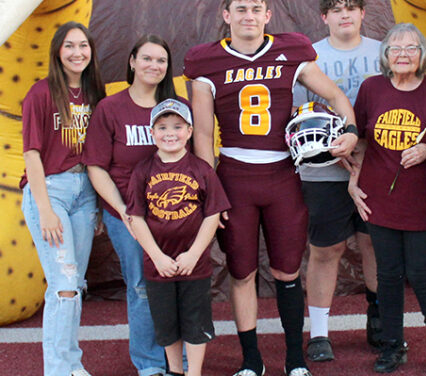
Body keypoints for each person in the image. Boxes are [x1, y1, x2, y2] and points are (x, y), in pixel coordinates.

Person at [183, 1, 358, 375]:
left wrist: (351, 130)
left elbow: (336, 96)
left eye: (256, 8)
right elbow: (201, 132)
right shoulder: (205, 60)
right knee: (242, 271)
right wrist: (210, 189)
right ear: (227, 16)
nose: (249, 15)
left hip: (282, 176)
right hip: (233, 176)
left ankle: (295, 359)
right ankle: (252, 361)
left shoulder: (291, 50)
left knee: (287, 271)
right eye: (241, 8)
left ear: (267, 15)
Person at [349, 23, 426, 375]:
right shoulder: (371, 89)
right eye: (395, 49)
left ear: (422, 54)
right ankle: (393, 345)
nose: (403, 55)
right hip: (379, 197)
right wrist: (353, 181)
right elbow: (360, 140)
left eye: (411, 48)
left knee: (423, 274)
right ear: (385, 55)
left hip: (422, 198)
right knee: (388, 275)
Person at [84, 35, 186, 376]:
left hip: (174, 212)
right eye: (147, 59)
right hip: (126, 213)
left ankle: (180, 360)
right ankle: (150, 363)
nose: (154, 66)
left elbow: (196, 160)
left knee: (177, 284)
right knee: (142, 285)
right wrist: (122, 209)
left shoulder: (176, 106)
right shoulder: (110, 108)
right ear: (132, 62)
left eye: (161, 60)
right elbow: (96, 167)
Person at [291, 0, 381, 362]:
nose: (344, 14)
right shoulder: (309, 57)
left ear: (362, 13)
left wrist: (361, 148)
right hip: (323, 169)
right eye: (336, 8)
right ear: (324, 17)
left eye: (351, 7)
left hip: (376, 164)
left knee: (375, 245)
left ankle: (380, 319)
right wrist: (333, 151)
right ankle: (320, 332)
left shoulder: (384, 52)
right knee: (326, 250)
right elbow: (297, 116)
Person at [20, 21, 105, 376]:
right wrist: (45, 210)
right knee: (64, 285)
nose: (77, 53)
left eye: (83, 46)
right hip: (51, 190)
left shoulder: (93, 93)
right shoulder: (41, 93)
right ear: (58, 51)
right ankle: (56, 369)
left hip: (85, 192)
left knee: (75, 285)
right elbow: (32, 155)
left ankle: (72, 364)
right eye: (69, 46)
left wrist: (99, 204)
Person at [125, 99, 230, 376]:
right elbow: (135, 217)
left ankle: (193, 372)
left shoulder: (202, 169)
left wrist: (194, 254)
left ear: (190, 131)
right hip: (158, 266)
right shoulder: (143, 171)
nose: (170, 133)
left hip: (193, 266)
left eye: (177, 126)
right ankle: (175, 370)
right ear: (151, 132)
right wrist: (157, 257)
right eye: (162, 127)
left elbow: (213, 214)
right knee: (166, 324)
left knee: (195, 322)